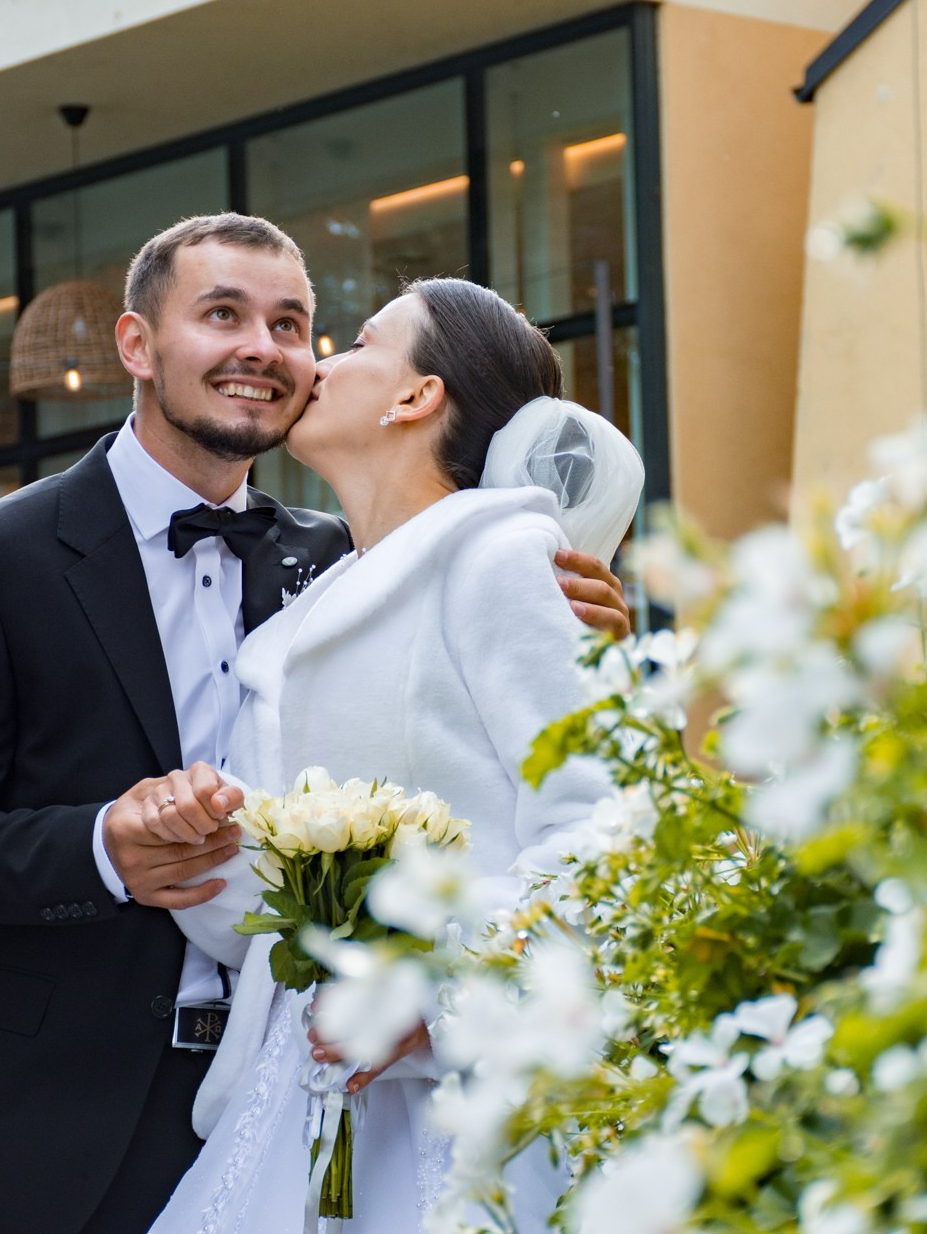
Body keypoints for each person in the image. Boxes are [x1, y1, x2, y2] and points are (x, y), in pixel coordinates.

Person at [0, 216, 630, 1232]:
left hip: (321, 1100)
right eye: (222, 313)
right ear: (136, 345)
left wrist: (591, 622)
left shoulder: (350, 559)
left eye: (294, 323)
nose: (266, 349)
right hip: (53, 1112)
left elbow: (571, 794)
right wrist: (101, 847)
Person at [145, 277, 645, 1233]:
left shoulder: (502, 561)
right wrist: (198, 833)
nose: (317, 364)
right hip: (307, 1088)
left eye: (359, 343)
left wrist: (441, 997)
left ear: (416, 397)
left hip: (476, 1099)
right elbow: (257, 913)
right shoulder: (292, 631)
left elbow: (606, 829)